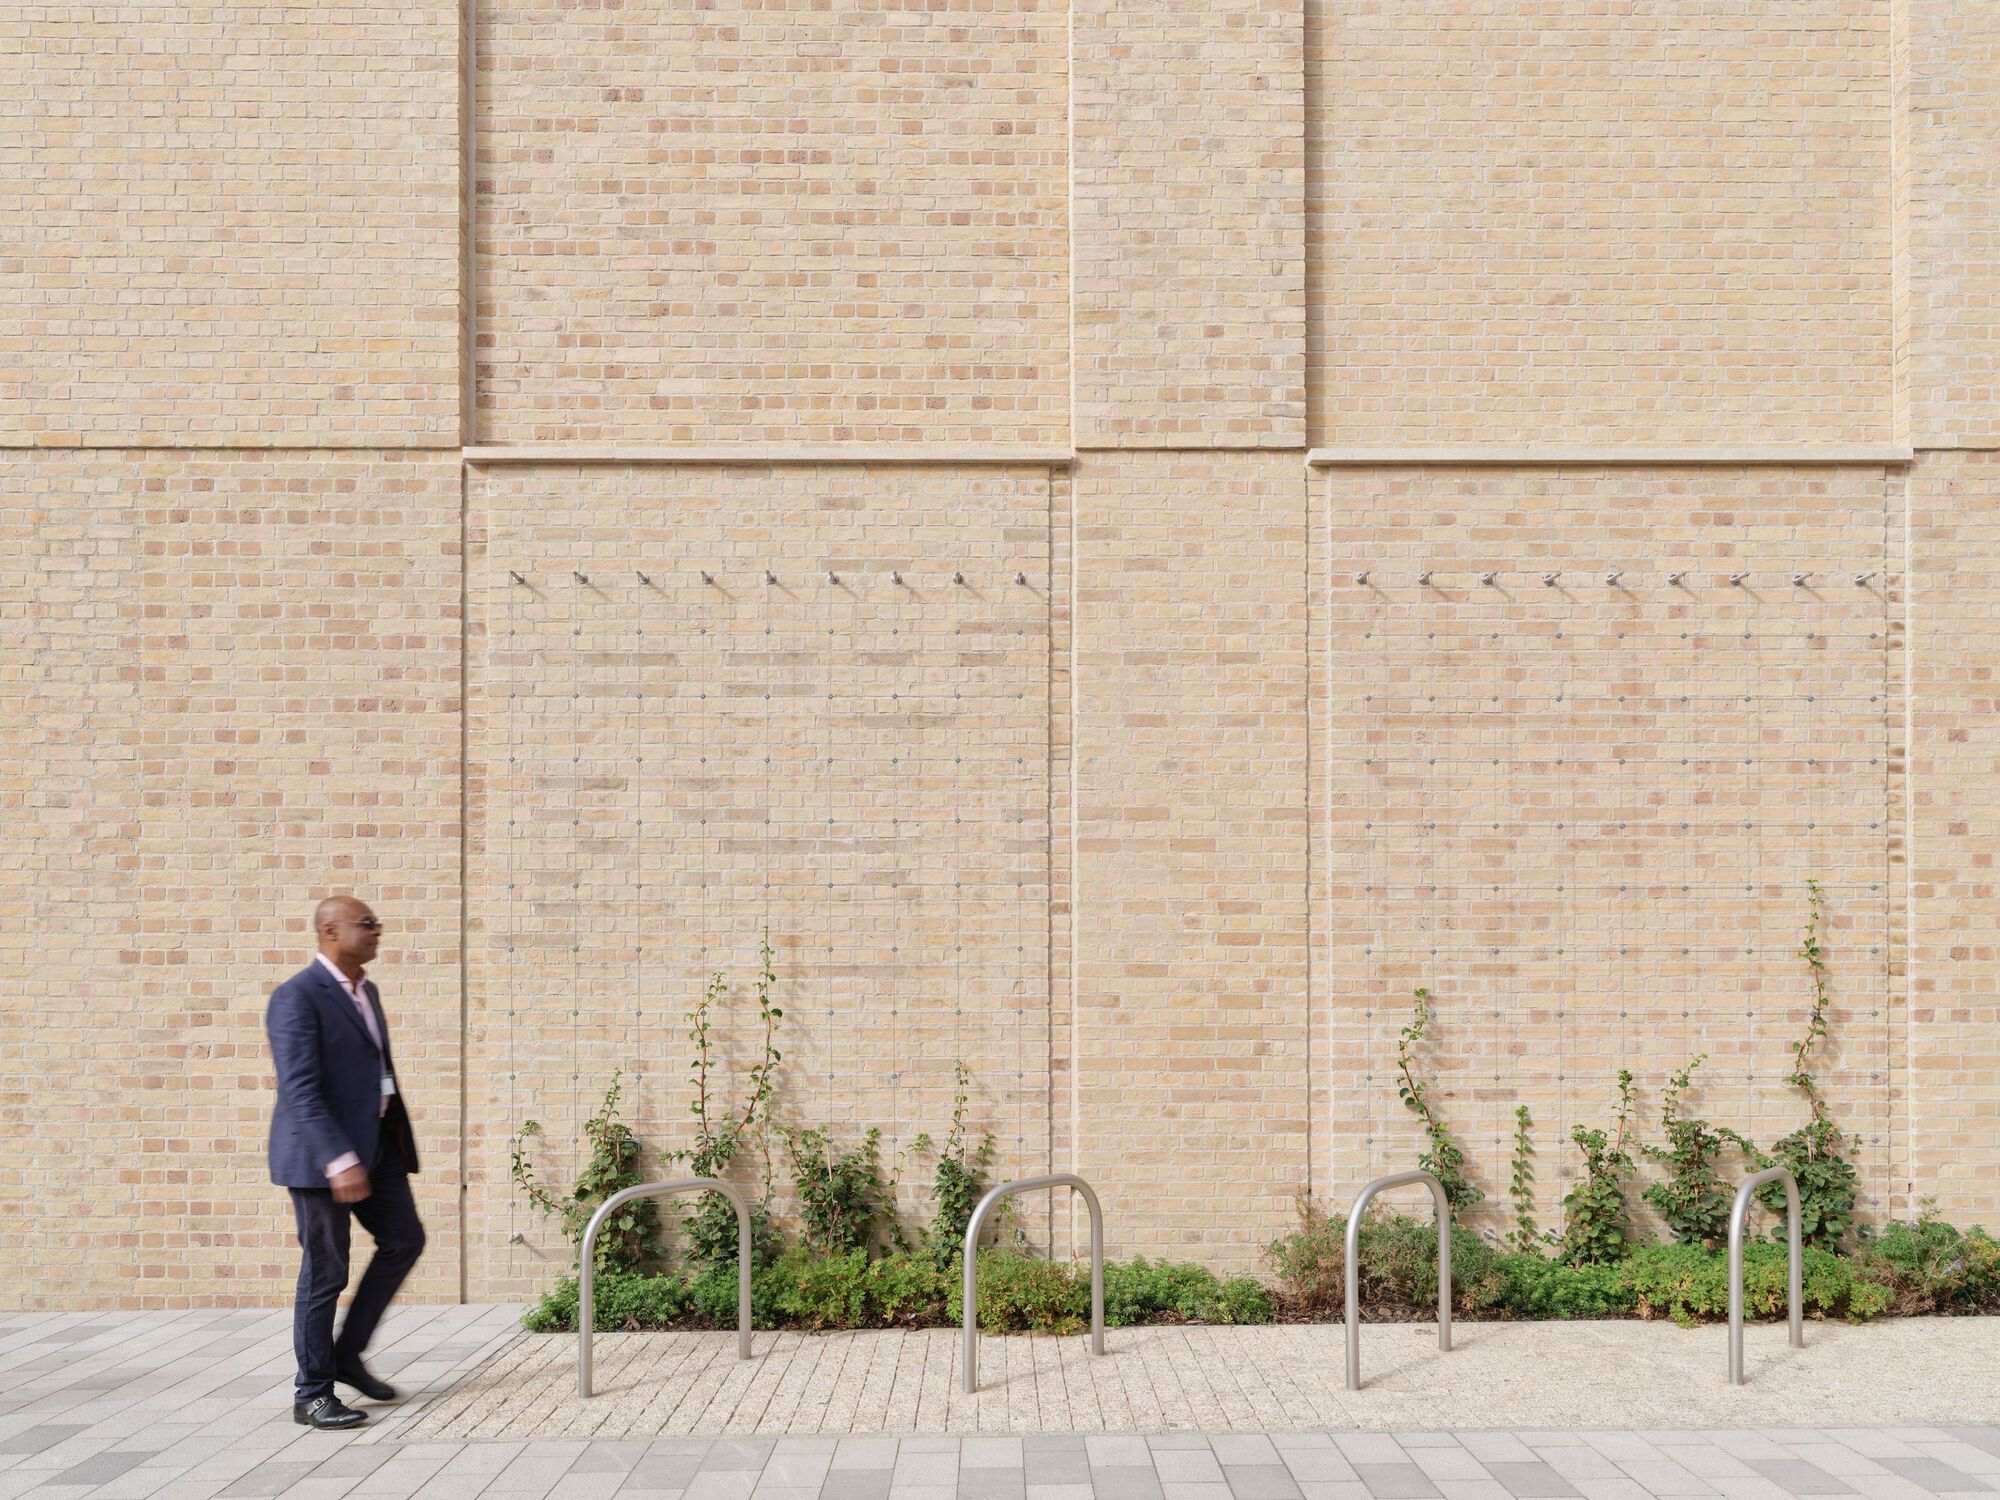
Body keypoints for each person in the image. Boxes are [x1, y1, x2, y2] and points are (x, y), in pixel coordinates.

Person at [266, 896, 425, 1430]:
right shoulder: (297, 997)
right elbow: (301, 1090)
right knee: (326, 1271)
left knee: (405, 1239)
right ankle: (311, 1393)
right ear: (330, 930)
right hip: (319, 1157)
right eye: (367, 923)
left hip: (375, 1147)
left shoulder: (367, 990)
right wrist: (338, 1159)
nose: (378, 930)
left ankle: (346, 1354)